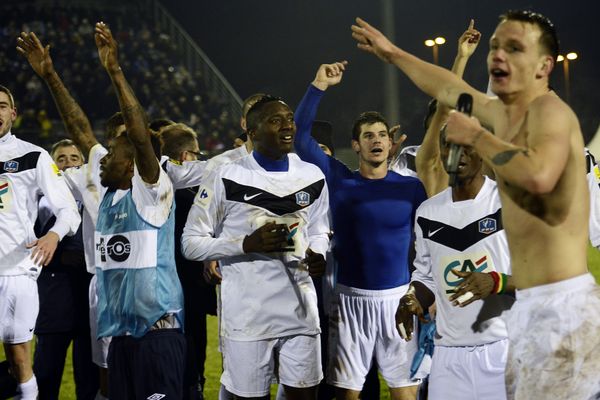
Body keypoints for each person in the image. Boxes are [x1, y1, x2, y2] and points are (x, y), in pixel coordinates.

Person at [352, 10, 600, 399]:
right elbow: (448, 88)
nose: (501, 57)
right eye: (497, 47)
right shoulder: (431, 210)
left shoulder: (547, 126)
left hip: (533, 336)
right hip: (460, 351)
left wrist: (497, 282)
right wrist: (391, 53)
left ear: (544, 65)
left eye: (515, 48)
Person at [182, 95, 330, 400]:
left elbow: (318, 229)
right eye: (276, 120)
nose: (287, 126)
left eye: (289, 118)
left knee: (306, 395)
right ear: (252, 132)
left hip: (301, 312)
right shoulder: (226, 176)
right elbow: (191, 243)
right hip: (248, 318)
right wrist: (244, 244)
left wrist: (318, 253)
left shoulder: (311, 176)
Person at [294, 62, 426, 400]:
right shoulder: (340, 180)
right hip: (349, 301)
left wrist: (424, 293)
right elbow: (301, 138)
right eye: (368, 135)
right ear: (356, 145)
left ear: (391, 143)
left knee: (405, 393)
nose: (376, 140)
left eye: (382, 134)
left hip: (398, 299)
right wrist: (318, 85)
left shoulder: (411, 189)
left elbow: (428, 246)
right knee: (347, 395)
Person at [0, 83, 81, 400]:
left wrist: (52, 235)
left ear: (13, 114)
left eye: (2, 105)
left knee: (20, 361)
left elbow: (68, 209)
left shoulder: (32, 156)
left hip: (16, 271)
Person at [33, 139, 99, 400]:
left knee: (88, 377)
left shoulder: (96, 200)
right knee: (46, 375)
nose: (69, 163)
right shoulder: (41, 201)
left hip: (88, 301)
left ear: (83, 164)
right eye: (61, 159)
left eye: (74, 158)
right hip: (52, 301)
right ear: (51, 166)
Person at [161, 123, 216, 400]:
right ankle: (192, 389)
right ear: (185, 157)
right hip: (188, 282)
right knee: (192, 340)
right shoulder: (185, 194)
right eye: (197, 153)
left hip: (165, 282)